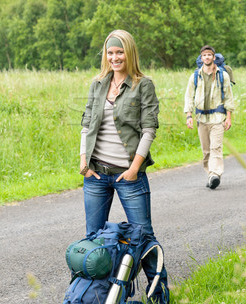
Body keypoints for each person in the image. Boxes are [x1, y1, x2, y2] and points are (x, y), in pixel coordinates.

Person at [79, 29, 168, 303]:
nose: (115, 57)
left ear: (129, 53)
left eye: (120, 52)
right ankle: (95, 296)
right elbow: (86, 123)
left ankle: (158, 296)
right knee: (93, 241)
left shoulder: (143, 85)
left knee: (143, 238)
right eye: (110, 52)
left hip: (129, 175)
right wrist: (83, 160)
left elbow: (149, 128)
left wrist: (134, 169)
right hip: (96, 174)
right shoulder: (98, 84)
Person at [184, 45, 235, 190]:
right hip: (201, 118)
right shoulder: (195, 76)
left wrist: (229, 117)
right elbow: (189, 97)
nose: (207, 57)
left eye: (209, 55)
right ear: (201, 58)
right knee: (206, 151)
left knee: (216, 147)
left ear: (213, 57)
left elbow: (229, 97)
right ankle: (210, 175)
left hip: (218, 118)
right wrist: (189, 115)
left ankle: (215, 174)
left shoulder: (222, 75)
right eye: (204, 55)